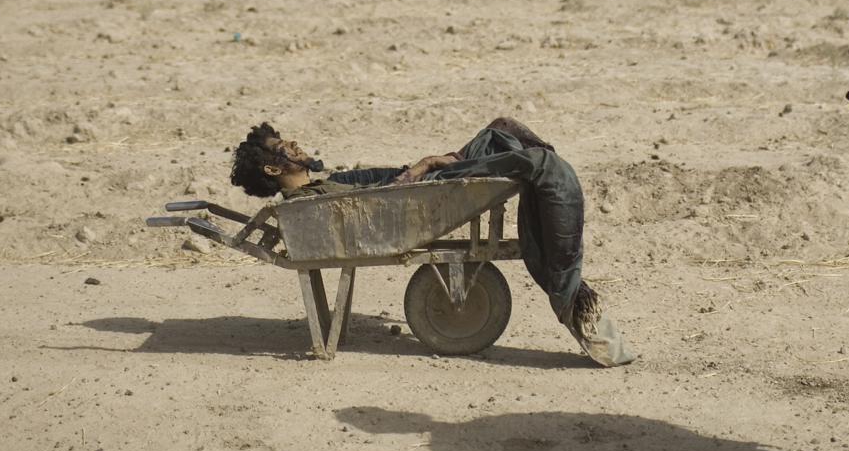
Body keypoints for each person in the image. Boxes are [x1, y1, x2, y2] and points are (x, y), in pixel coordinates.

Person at [229, 116, 635, 367]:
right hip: (415, 198)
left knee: (502, 130)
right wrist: (424, 169)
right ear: (272, 166)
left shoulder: (318, 185)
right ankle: (571, 296)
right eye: (286, 149)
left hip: (418, 190)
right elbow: (371, 203)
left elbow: (374, 182)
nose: (297, 147)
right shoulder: (306, 202)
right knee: (539, 164)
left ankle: (550, 239)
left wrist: (421, 166)